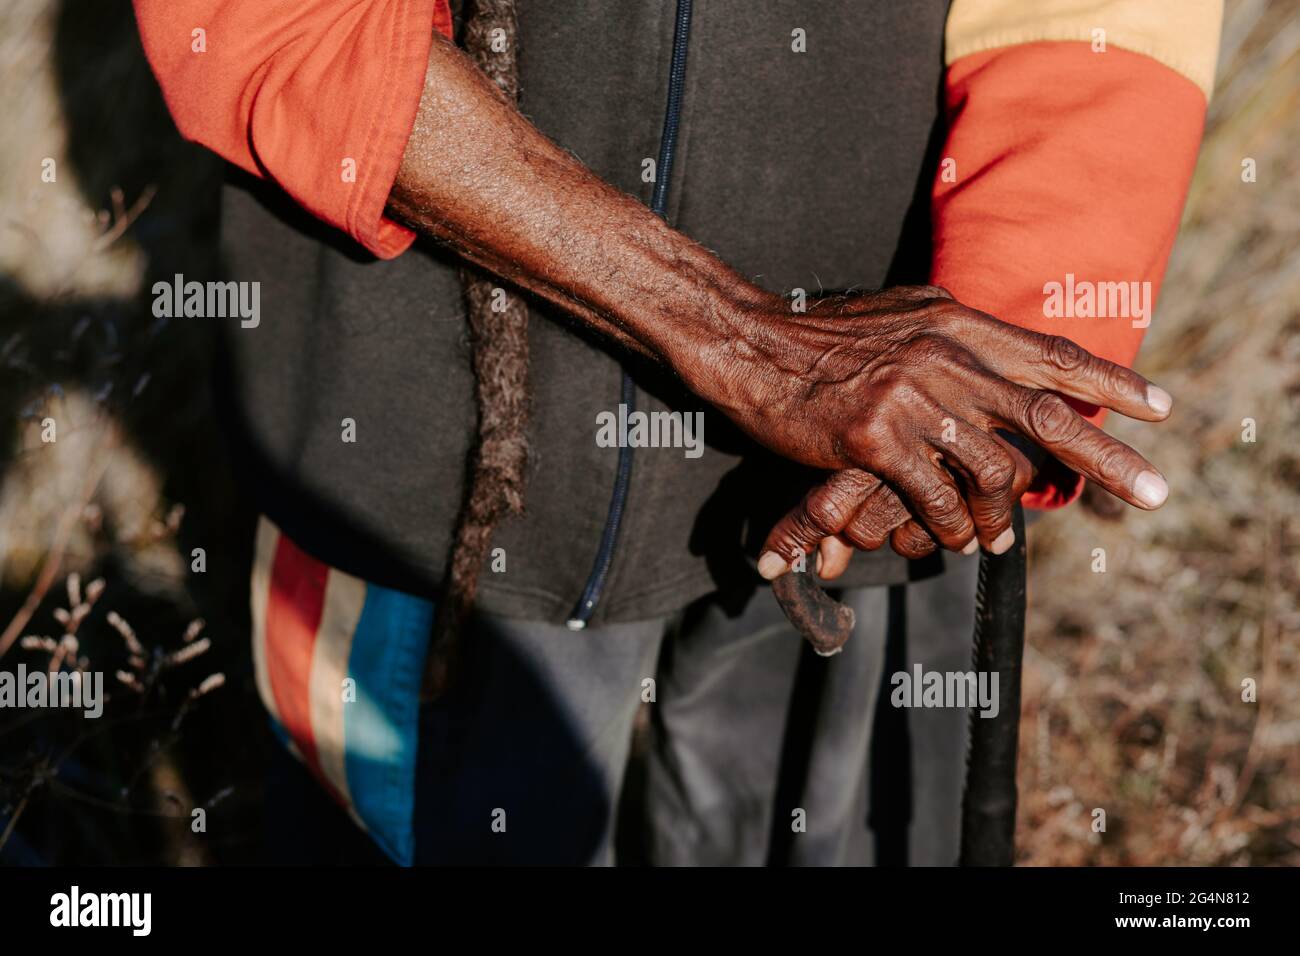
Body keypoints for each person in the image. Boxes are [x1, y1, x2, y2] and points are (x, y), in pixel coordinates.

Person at [132, 0, 1222, 865]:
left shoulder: (923, 404)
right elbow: (271, 21)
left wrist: (991, 371)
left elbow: (1105, 22)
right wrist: (748, 342)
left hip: (875, 454)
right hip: (444, 469)